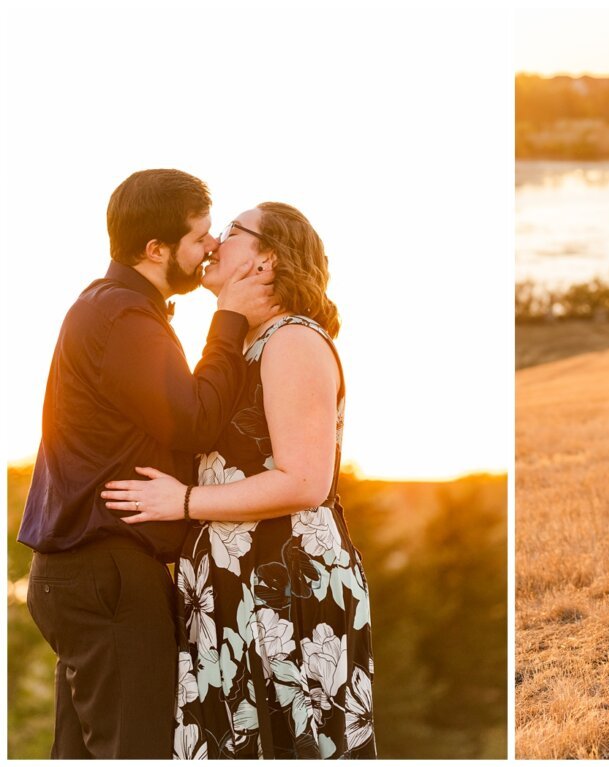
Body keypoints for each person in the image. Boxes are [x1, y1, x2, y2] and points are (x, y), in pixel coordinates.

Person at [18, 169, 277, 759]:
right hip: (104, 572)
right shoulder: (124, 320)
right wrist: (230, 319)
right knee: (134, 753)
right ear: (155, 249)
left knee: (84, 755)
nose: (211, 245)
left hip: (85, 573)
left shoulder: (111, 310)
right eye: (199, 236)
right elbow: (196, 421)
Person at [102, 202, 375, 759]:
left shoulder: (292, 340)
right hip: (229, 580)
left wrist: (182, 501)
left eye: (230, 231)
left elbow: (305, 481)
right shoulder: (243, 346)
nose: (214, 243)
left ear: (267, 258)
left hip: (287, 582)